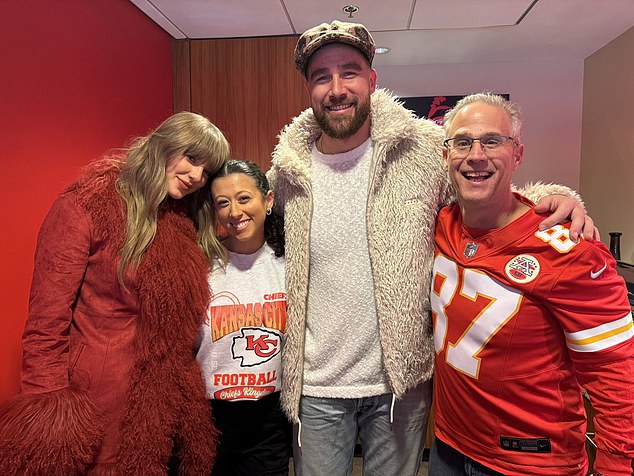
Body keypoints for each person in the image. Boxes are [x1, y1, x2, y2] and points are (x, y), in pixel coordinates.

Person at [268, 20, 595, 476]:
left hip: (401, 386)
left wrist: (557, 197)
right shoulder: (288, 170)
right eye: (322, 76)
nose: (337, 88)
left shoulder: (421, 150)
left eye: (350, 72)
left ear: (372, 80)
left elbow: (484, 194)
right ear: (309, 87)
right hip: (316, 386)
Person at [0, 112, 231, 475]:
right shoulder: (87, 205)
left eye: (207, 170)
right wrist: (50, 412)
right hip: (98, 404)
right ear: (163, 145)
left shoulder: (179, 215)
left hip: (160, 403)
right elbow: (45, 325)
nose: (197, 176)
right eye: (192, 158)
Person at [430, 92, 634, 475]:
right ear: (446, 156)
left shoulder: (571, 250)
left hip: (530, 463)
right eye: (462, 142)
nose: (476, 155)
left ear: (517, 154)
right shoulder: (441, 223)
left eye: (492, 141)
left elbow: (616, 373)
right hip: (449, 446)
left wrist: (615, 465)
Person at [197, 160, 291, 476]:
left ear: (268, 200)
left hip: (268, 420)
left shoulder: (290, 264)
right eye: (223, 203)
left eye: (243, 198)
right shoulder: (202, 264)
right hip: (208, 418)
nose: (234, 212)